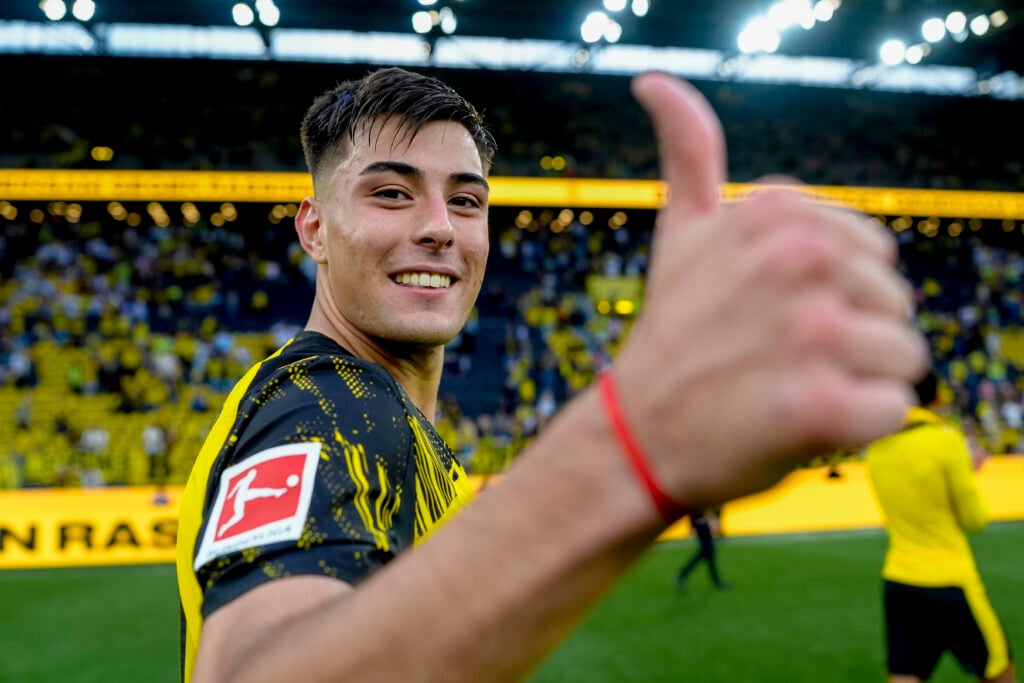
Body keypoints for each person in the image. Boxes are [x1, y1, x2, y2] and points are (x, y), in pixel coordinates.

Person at [176, 66, 927, 683]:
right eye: (392, 192)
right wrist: (632, 445)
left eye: (466, 200)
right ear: (314, 228)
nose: (440, 226)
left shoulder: (385, 415)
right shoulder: (325, 401)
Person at [865, 369, 1016, 683]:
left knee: (905, 675)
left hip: (899, 579)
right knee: (1000, 671)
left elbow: (918, 490)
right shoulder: (944, 440)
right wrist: (962, 469)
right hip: (949, 580)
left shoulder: (876, 446)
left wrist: (960, 471)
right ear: (936, 396)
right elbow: (974, 520)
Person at [674, 508, 729, 591]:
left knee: (709, 554)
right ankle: (681, 576)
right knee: (705, 552)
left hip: (702, 522)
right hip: (701, 523)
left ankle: (716, 581)